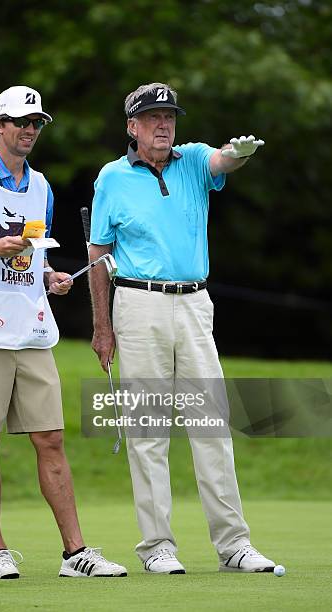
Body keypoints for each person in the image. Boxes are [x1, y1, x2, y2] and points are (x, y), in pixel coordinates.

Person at [0, 85, 126, 580]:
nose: (29, 130)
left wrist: (49, 277)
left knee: (52, 438)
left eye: (36, 122)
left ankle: (74, 553)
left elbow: (29, 256)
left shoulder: (41, 186)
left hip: (31, 320)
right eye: (20, 121)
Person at [89, 82, 278, 574]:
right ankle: (157, 548)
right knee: (147, 431)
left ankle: (234, 545)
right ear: (133, 127)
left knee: (211, 425)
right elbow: (97, 255)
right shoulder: (111, 177)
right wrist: (101, 325)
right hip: (136, 303)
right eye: (152, 117)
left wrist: (237, 154)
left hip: (194, 303)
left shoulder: (192, 159)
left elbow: (222, 161)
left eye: (169, 116)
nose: (163, 124)